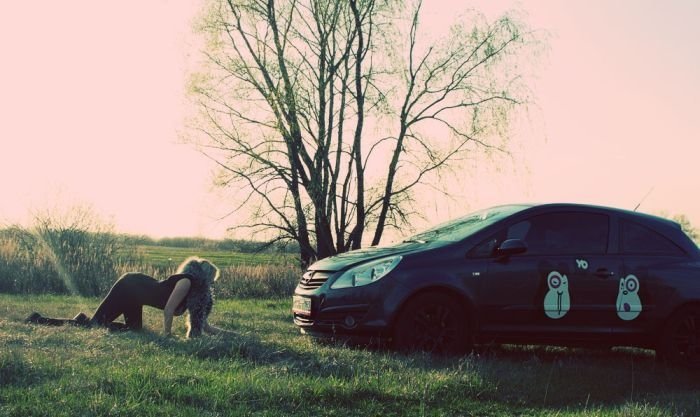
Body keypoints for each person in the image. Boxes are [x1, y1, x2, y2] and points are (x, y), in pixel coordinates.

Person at [25, 256, 226, 338]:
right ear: (204, 276)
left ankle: (83, 319)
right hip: (129, 286)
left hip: (136, 296)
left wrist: (229, 334)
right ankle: (38, 319)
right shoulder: (186, 282)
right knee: (94, 325)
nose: (211, 285)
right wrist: (167, 335)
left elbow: (205, 326)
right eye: (211, 280)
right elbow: (168, 310)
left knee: (134, 330)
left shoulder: (193, 293)